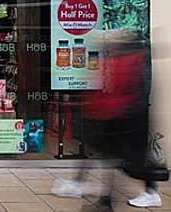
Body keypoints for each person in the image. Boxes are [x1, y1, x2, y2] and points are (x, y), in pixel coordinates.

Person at [51, 28, 156, 210]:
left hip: (126, 118)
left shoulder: (130, 59)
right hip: (117, 115)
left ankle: (148, 192)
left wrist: (105, 108)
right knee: (104, 153)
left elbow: (125, 89)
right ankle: (93, 192)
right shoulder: (120, 58)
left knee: (128, 161)